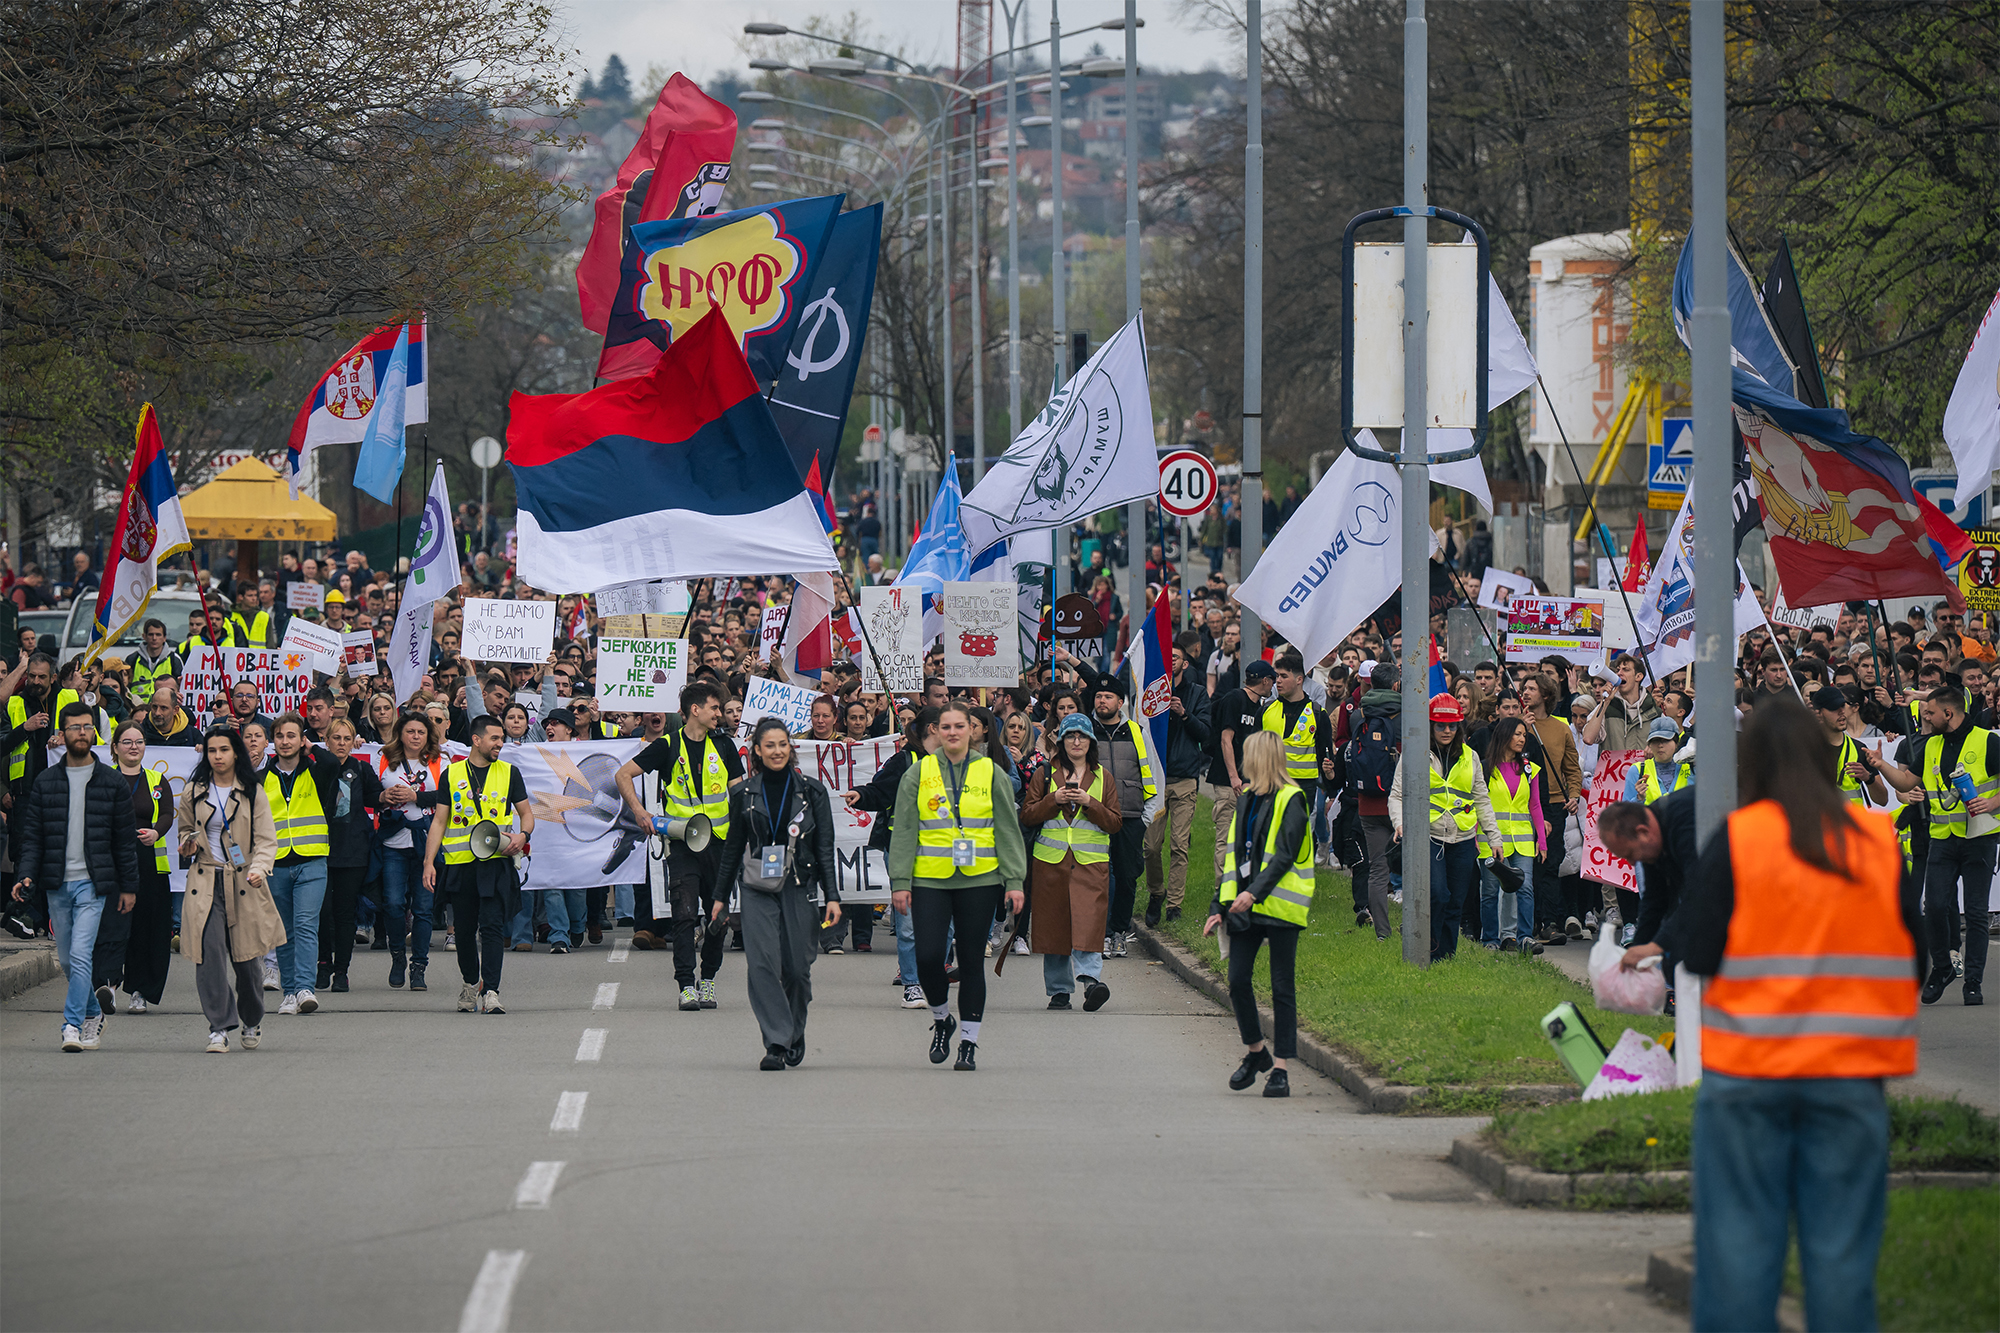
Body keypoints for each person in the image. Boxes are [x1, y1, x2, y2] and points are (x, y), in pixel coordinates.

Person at [1625, 695, 1918, 1330]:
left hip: (1747, 1079)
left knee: (1736, 1252)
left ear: (1747, 765)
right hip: (1851, 1081)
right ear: (1825, 755)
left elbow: (1697, 954)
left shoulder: (1739, 839)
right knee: (1840, 1262)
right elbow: (1916, 956)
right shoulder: (1873, 838)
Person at [887, 699, 1028, 1071]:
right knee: (929, 957)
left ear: (972, 730)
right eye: (945, 726)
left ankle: (968, 1041)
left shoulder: (991, 773)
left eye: (959, 727)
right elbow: (903, 830)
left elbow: (1007, 831)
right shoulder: (918, 774)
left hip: (980, 879)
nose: (952, 732)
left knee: (969, 962)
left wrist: (1014, 881)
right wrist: (900, 881)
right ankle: (941, 1019)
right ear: (935, 731)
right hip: (930, 878)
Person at [10, 701, 141, 1051]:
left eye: (87, 727)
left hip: (94, 884)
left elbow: (124, 842)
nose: (81, 733)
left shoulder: (111, 782)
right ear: (62, 733)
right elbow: (33, 837)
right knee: (68, 959)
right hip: (56, 884)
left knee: (82, 954)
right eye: (74, 728)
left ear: (94, 733)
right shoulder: (46, 781)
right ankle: (93, 1012)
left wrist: (129, 886)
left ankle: (72, 1025)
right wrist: (25, 875)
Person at [720, 718, 841, 1070]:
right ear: (757, 750)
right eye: (769, 745)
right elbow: (732, 849)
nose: (777, 751)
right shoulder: (744, 794)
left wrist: (832, 896)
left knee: (798, 969)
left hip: (799, 885)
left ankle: (793, 1028)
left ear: (791, 748)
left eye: (782, 745)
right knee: (761, 964)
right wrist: (719, 898)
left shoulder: (812, 792)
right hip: (757, 887)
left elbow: (824, 847)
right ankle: (775, 1041)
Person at [615, 680, 743, 1011]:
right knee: (684, 915)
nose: (720, 714)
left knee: (718, 918)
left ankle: (709, 979)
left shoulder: (725, 746)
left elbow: (739, 794)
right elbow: (623, 775)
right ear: (695, 710)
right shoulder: (667, 745)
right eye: (715, 708)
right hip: (683, 843)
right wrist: (640, 812)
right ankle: (686, 984)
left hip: (719, 845)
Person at [1204, 732, 1314, 1097]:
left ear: (1260, 758)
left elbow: (1284, 855)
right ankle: (1255, 1052)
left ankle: (1280, 1068)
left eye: (1246, 753)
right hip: (1244, 906)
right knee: (1237, 981)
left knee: (1282, 987)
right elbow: (1233, 859)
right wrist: (1218, 907)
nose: (1242, 759)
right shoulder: (1247, 799)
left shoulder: (1292, 799)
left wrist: (1252, 894)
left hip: (1280, 905)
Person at [174, 725, 286, 1052]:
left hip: (245, 881)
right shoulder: (193, 791)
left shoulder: (253, 791)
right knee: (208, 956)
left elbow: (267, 840)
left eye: (224, 750)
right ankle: (219, 1027)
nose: (218, 756)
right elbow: (184, 831)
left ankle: (251, 1019)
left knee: (248, 962)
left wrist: (259, 869)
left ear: (235, 752)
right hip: (205, 882)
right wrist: (187, 844)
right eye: (212, 751)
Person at [421, 716, 534, 1013]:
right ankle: (471, 983)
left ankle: (492, 990)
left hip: (495, 863)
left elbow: (527, 814)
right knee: (465, 930)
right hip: (460, 865)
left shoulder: (510, 773)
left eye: (502, 739)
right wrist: (429, 862)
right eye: (495, 738)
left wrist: (523, 836)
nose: (500, 743)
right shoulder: (452, 773)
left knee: (493, 927)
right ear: (476, 740)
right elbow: (440, 820)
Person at [1389, 694, 1502, 962]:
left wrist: (1494, 838)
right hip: (1429, 836)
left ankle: (1444, 957)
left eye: (1452, 726)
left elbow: (1482, 799)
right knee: (1438, 894)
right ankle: (1426, 945)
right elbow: (1396, 794)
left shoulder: (1471, 757)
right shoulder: (1415, 754)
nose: (1447, 731)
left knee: (1455, 902)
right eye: (1441, 725)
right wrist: (1400, 822)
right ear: (1430, 725)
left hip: (1462, 839)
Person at [1022, 712, 1122, 1010]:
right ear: (1061, 741)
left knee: (1088, 922)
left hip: (1091, 865)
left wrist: (1091, 804)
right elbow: (1027, 815)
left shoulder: (1104, 777)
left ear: (1090, 741)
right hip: (1050, 863)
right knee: (1055, 927)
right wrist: (1054, 800)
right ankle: (1059, 991)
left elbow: (1115, 823)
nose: (1076, 741)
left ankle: (1091, 982)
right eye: (1070, 736)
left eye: (1081, 736)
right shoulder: (1045, 774)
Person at [846, 708, 939, 1008]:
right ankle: (912, 984)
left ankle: (935, 970)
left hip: (943, 852)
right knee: (909, 922)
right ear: (933, 729)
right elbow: (880, 789)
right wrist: (862, 795)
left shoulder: (959, 763)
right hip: (903, 849)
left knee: (943, 921)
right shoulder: (905, 760)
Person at [261, 712, 339, 1015]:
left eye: (291, 735)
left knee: (306, 925)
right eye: (280, 736)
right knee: (284, 931)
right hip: (276, 863)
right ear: (273, 741)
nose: (285, 741)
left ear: (301, 739)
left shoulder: (316, 770)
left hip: (312, 860)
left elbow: (333, 762)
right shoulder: (262, 777)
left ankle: (305, 987)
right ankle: (290, 991)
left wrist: (311, 748)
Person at [101, 720, 176, 1013]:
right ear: (116, 748)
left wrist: (156, 832)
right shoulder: (105, 779)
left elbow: (168, 813)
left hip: (149, 864)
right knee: (114, 924)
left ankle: (140, 990)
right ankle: (108, 983)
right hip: (113, 862)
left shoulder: (158, 779)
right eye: (128, 742)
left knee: (149, 928)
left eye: (139, 742)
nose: (134, 747)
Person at [1142, 633, 1211, 939]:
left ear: (1185, 662)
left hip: (1184, 779)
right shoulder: (1152, 692)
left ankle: (1174, 905)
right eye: (1166, 656)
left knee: (1179, 845)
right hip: (1156, 779)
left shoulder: (1196, 694)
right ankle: (1157, 892)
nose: (1171, 660)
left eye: (1176, 656)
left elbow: (1205, 734)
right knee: (1150, 846)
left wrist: (1184, 714)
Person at [377, 712, 445, 991]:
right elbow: (372, 794)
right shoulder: (385, 758)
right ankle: (397, 956)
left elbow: (446, 797)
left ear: (428, 735)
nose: (415, 736)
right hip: (394, 841)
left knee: (423, 909)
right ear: (400, 734)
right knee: (393, 904)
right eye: (410, 731)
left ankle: (419, 966)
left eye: (420, 732)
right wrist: (384, 797)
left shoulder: (441, 761)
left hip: (427, 842)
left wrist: (415, 796)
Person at [316, 717, 383, 994]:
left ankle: (341, 971)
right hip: (319, 849)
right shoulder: (315, 769)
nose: (341, 744)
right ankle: (322, 964)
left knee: (344, 914)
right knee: (322, 913)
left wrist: (392, 794)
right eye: (336, 738)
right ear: (327, 741)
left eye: (347, 739)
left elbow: (375, 796)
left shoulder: (361, 769)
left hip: (352, 852)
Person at [1478, 717, 1544, 953]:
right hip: (1491, 841)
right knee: (1490, 891)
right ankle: (1490, 940)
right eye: (1517, 734)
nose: (1522, 739)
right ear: (1504, 735)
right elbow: (1479, 804)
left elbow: (1535, 805)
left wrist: (1542, 841)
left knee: (1525, 888)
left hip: (1523, 840)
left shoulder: (1529, 769)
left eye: (1524, 735)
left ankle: (1525, 937)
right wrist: (1476, 838)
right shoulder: (1485, 768)